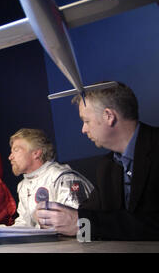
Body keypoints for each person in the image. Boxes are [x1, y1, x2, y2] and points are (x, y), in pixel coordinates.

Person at [35, 82, 159, 240]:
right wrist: (58, 218)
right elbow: (91, 219)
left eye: (86, 121)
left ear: (109, 116)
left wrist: (81, 223)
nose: (83, 129)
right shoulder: (107, 167)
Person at [9, 128, 94, 227]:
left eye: (16, 150)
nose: (10, 157)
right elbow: (24, 224)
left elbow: (74, 226)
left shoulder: (63, 179)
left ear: (36, 153)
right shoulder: (23, 186)